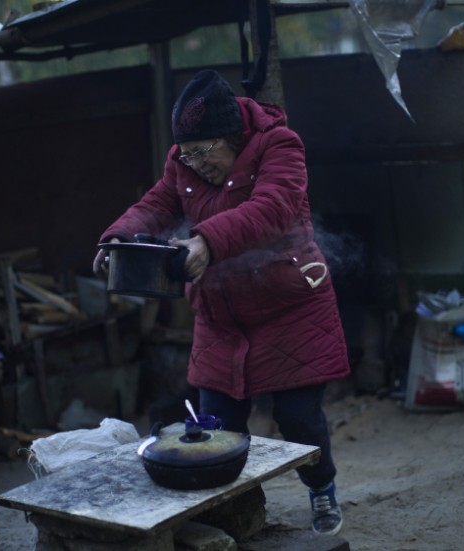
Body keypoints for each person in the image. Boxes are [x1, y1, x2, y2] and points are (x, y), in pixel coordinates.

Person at [92, 69, 349, 535]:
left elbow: (272, 208)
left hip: (290, 309)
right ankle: (237, 513)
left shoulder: (281, 146)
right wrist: (118, 238)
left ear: (231, 135)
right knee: (215, 428)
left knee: (298, 420)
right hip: (222, 318)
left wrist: (206, 241)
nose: (193, 163)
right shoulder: (183, 161)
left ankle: (322, 489)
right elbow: (155, 205)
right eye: (186, 153)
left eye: (203, 151)